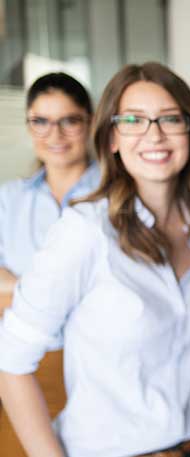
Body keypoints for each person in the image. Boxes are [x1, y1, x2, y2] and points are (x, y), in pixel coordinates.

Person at [0, 62, 190, 457]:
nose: (154, 134)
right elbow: (11, 360)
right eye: (133, 120)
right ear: (112, 137)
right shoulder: (84, 231)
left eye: (169, 119)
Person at [0, 72, 100, 457]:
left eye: (68, 120)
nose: (53, 134)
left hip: (100, 368)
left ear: (89, 121)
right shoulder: (9, 200)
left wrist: (17, 287)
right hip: (29, 369)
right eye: (40, 121)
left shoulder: (118, 192)